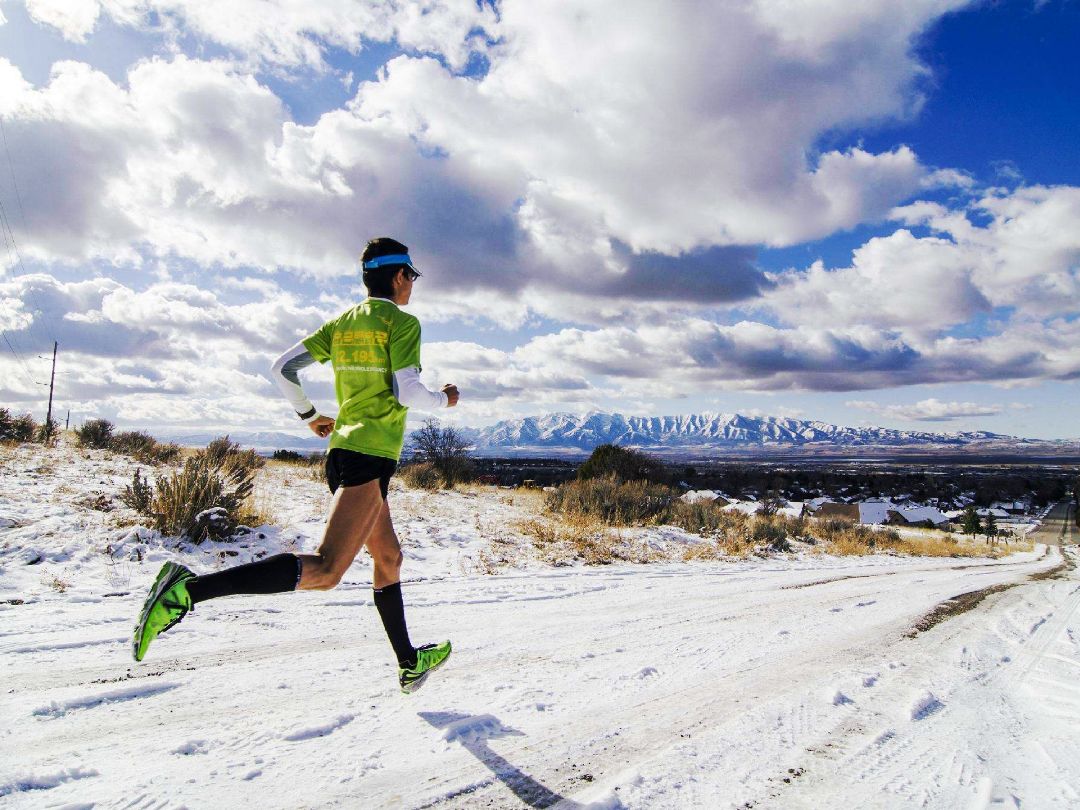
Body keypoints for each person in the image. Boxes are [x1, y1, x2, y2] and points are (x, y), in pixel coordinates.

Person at [132, 237, 459, 694]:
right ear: (400, 275)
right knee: (326, 570)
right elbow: (408, 392)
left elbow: (282, 368)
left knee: (388, 557)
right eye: (413, 277)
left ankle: (408, 662)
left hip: (344, 453)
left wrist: (309, 415)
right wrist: (445, 399)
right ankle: (188, 591)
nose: (412, 285)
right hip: (368, 458)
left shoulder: (342, 325)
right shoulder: (402, 324)